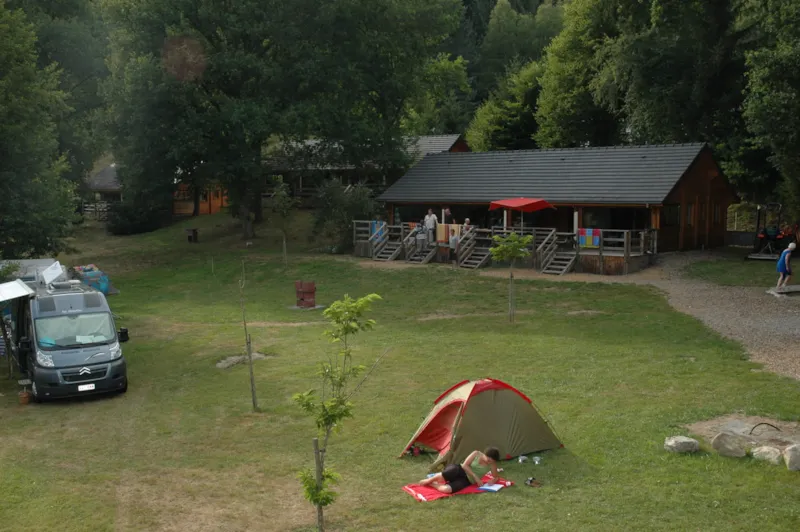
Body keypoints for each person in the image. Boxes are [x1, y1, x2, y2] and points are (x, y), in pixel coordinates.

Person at [417, 447, 501, 494]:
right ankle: (429, 480)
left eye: (491, 461)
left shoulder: (492, 465)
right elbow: (465, 465)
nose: (489, 461)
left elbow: (496, 477)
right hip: (460, 469)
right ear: (485, 454)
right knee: (448, 473)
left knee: (447, 490)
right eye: (488, 459)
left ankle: (432, 484)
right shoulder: (476, 453)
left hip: (468, 480)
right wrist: (475, 476)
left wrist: (493, 481)